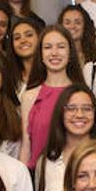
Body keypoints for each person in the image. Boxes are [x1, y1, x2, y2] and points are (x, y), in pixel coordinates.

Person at [20, 26, 85, 170]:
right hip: (38, 175)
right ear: (41, 55)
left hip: (75, 172)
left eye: (61, 47)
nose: (54, 53)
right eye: (48, 47)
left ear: (70, 53)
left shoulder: (81, 94)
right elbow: (26, 145)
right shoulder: (29, 96)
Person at [8, 16, 44, 93]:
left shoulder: (51, 73)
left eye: (29, 35)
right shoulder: (10, 78)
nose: (23, 41)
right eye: (17, 38)